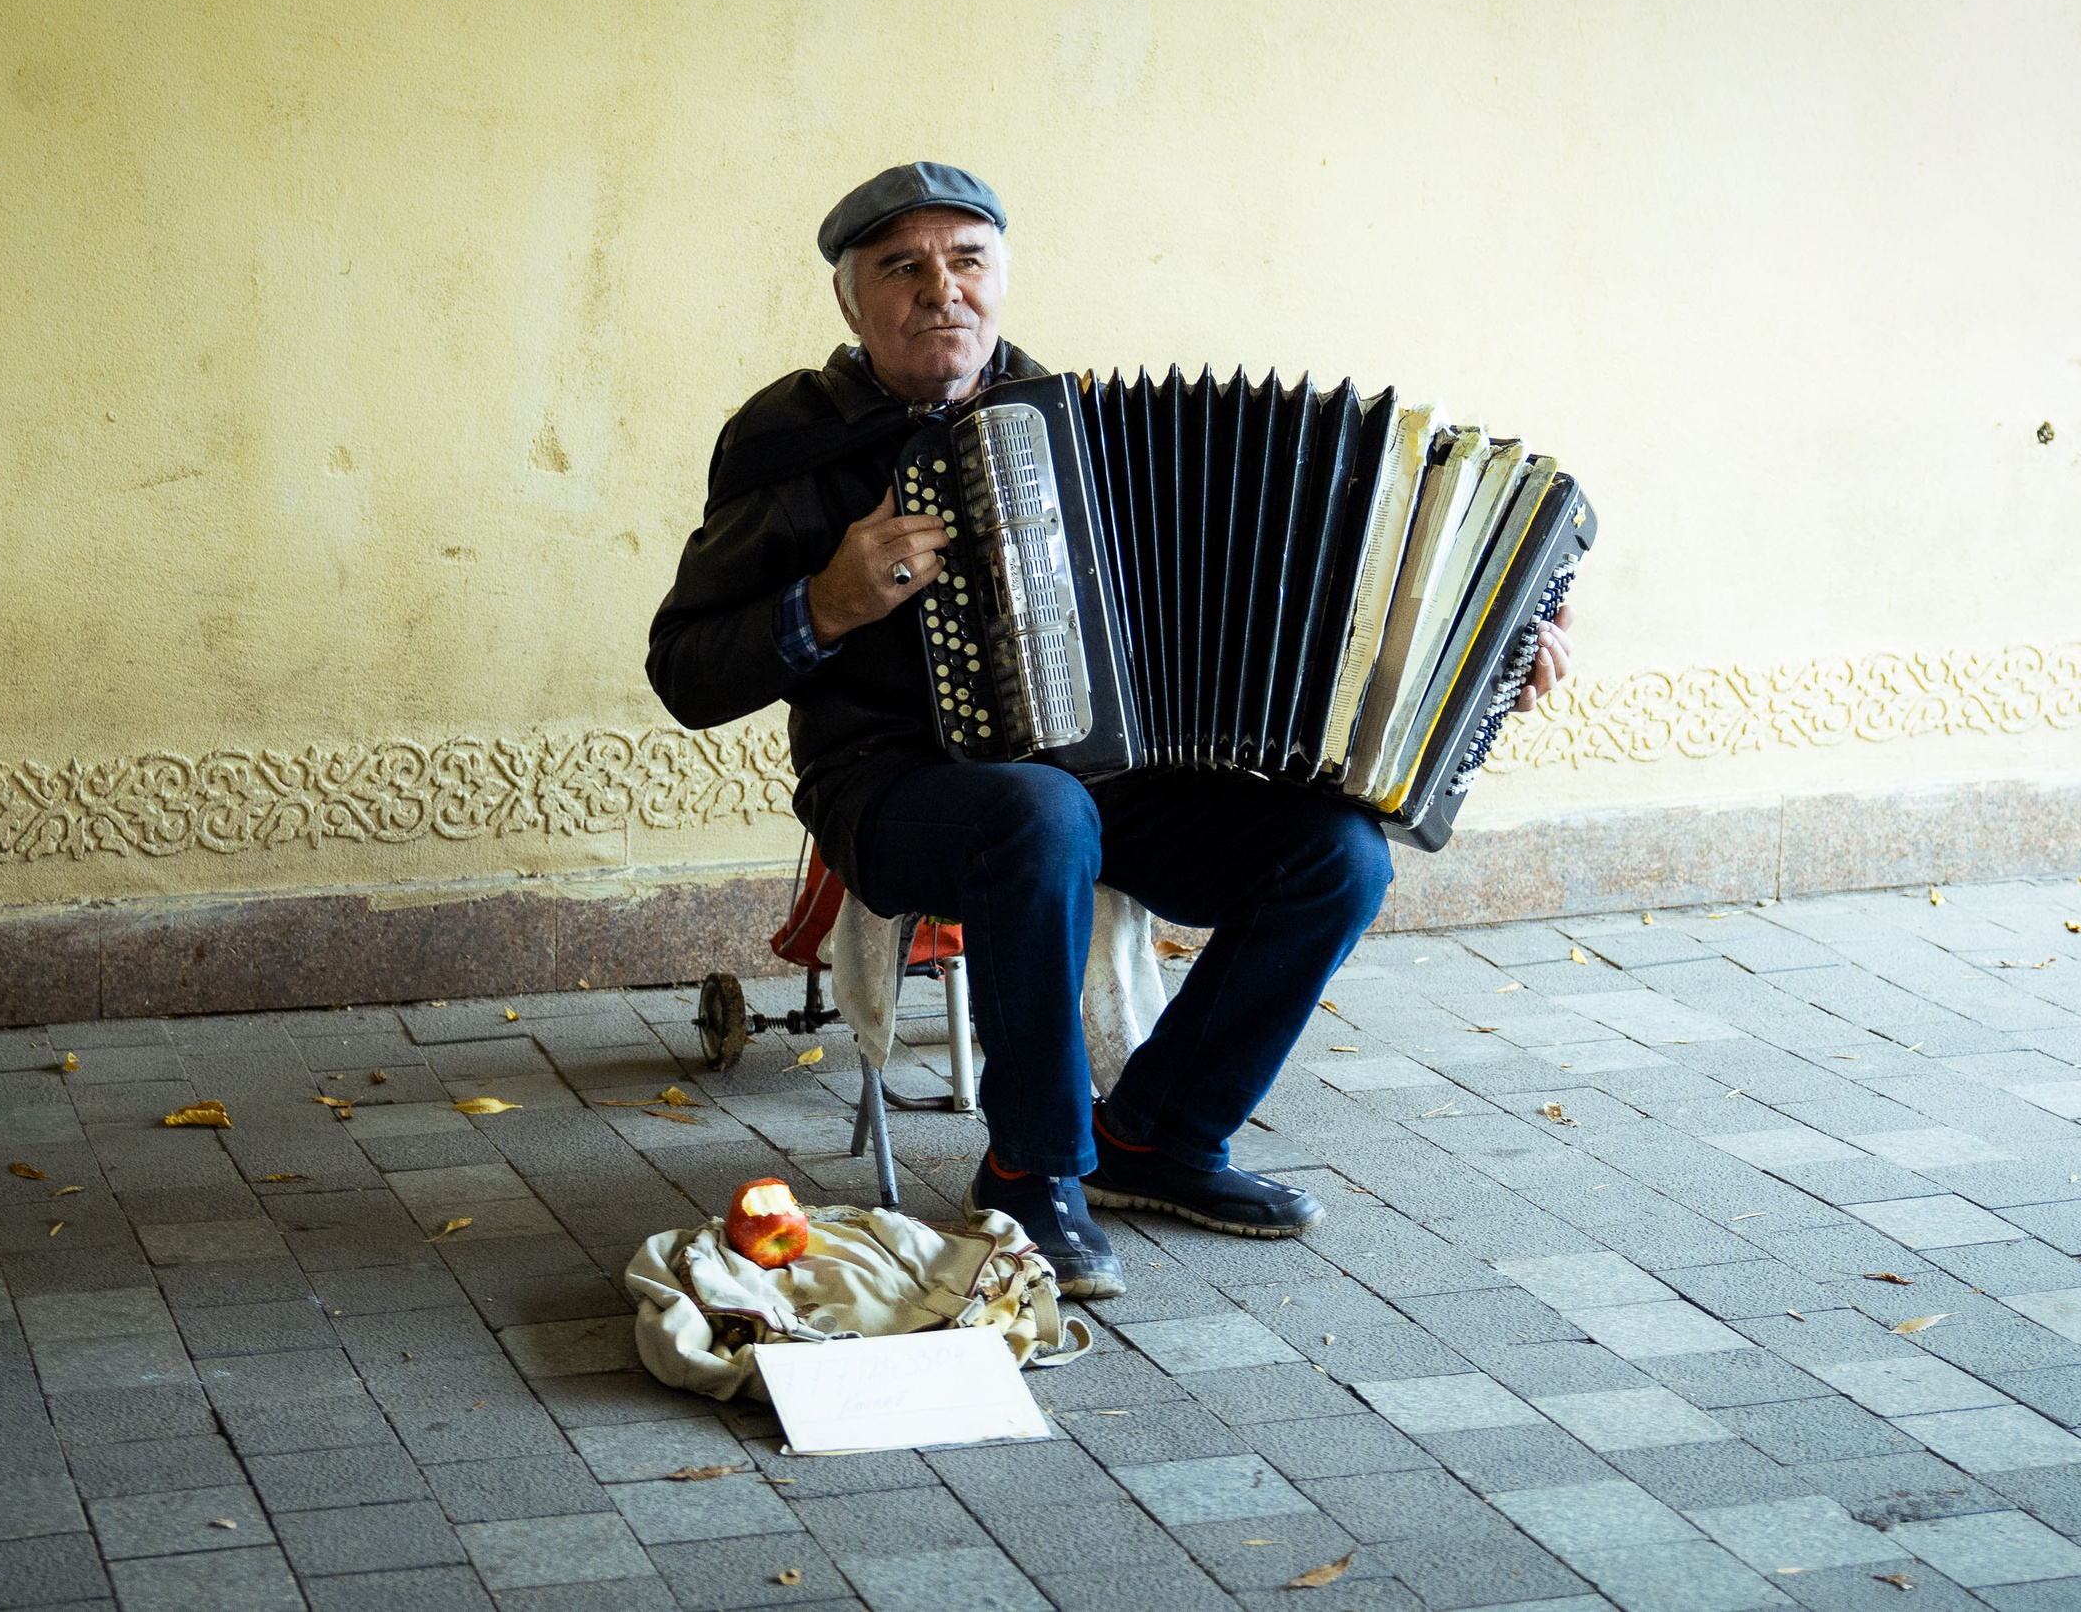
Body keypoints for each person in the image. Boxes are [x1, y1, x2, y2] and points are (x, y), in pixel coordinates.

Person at [647, 163, 1573, 1298]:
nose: (940, 289)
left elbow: (1315, 594)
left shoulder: (1070, 423)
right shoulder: (789, 442)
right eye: (902, 267)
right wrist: (829, 600)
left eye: (966, 261)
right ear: (851, 302)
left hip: (1106, 784)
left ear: (1000, 281)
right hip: (890, 790)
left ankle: (1160, 1142)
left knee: (1334, 857)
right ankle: (1032, 1175)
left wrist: (1483, 658)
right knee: (1035, 811)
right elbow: (686, 670)